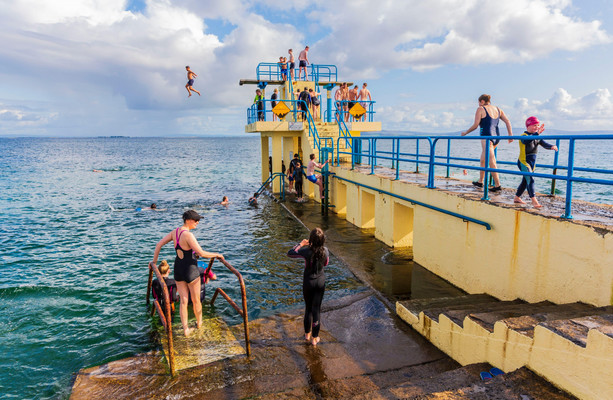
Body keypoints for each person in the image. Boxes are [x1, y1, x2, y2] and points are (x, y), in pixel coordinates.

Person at [152, 210, 224, 337]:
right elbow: (201, 253)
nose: (197, 222)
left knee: (184, 301)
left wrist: (153, 262)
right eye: (196, 220)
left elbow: (159, 244)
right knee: (196, 300)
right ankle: (199, 324)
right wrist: (217, 254)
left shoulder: (175, 232)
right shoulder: (188, 235)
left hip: (178, 270)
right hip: (191, 270)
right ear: (188, 220)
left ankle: (186, 330)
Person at [461, 94, 513, 192]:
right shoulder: (498, 109)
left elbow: (476, 125)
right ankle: (480, 182)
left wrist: (466, 132)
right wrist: (510, 135)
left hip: (486, 137)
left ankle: (498, 185)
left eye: (479, 102)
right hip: (496, 137)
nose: (479, 104)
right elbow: (507, 121)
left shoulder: (480, 109)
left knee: (492, 161)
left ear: (482, 101)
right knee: (483, 160)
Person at [287, 228, 329, 346]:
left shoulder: (306, 251)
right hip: (320, 282)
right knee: (317, 310)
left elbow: (290, 253)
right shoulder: (325, 251)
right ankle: (315, 339)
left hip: (308, 282)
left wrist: (301, 244)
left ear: (310, 240)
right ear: (322, 240)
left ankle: (307, 335)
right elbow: (325, 263)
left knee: (308, 309)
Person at [514, 116, 558, 208]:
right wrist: (537, 133)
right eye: (534, 125)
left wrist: (552, 146)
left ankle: (517, 197)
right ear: (528, 126)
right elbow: (526, 141)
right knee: (530, 179)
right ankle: (534, 201)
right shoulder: (523, 136)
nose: (537, 127)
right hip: (524, 162)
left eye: (538, 125)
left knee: (525, 181)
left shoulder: (537, 137)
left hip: (532, 164)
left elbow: (544, 144)